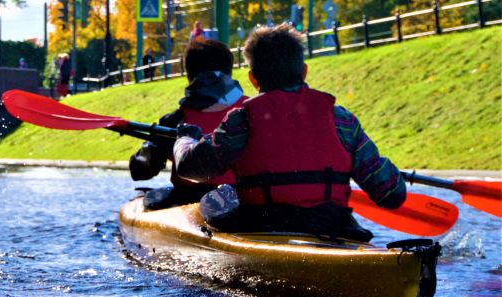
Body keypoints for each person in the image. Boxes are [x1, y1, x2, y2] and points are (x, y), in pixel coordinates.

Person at [172, 24, 406, 242]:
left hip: (263, 225)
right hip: (332, 226)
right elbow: (391, 194)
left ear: (253, 79)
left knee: (212, 205)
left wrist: (185, 139)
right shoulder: (342, 120)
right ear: (304, 72)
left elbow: (192, 169)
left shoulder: (240, 120)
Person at [129, 38, 248, 210]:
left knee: (148, 198)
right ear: (229, 72)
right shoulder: (252, 112)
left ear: (189, 76)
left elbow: (140, 172)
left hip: (191, 201)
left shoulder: (174, 121)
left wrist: (149, 148)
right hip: (242, 201)